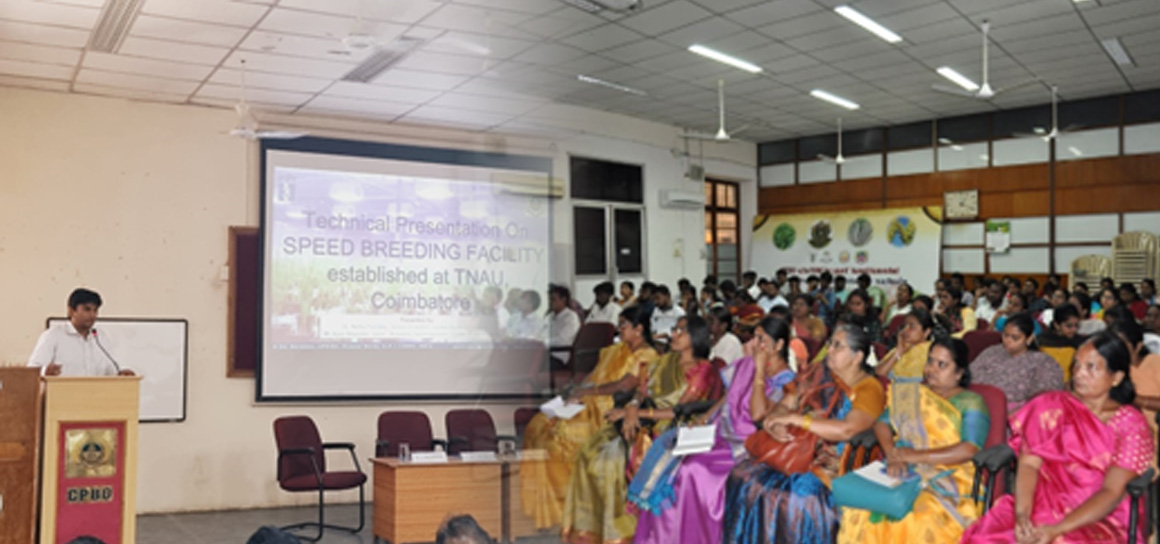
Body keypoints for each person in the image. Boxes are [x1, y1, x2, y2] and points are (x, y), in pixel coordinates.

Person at [963, 332, 1154, 544]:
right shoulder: (1051, 407)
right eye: (1077, 365)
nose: (1079, 374)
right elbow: (1029, 466)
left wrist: (1056, 530)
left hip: (1099, 518)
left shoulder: (1130, 424)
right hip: (1040, 504)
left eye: (1091, 367)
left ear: (1116, 378)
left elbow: (1111, 492)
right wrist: (1022, 517)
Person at [630, 316, 795, 544]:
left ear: (779, 346)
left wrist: (758, 371)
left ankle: (695, 536)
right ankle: (665, 536)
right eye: (754, 338)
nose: (755, 344)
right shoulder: (746, 364)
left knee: (692, 469)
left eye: (762, 339)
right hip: (720, 430)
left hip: (746, 444)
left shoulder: (786, 380)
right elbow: (729, 397)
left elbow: (759, 416)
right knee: (671, 451)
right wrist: (705, 418)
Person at [561, 316, 722, 544]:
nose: (674, 334)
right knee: (590, 451)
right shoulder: (665, 361)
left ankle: (623, 534)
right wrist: (634, 405)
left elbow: (679, 410)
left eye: (681, 331)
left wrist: (636, 414)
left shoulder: (703, 369)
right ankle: (592, 533)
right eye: (675, 328)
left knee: (611, 461)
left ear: (696, 337)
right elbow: (642, 391)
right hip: (643, 417)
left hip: (673, 427)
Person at [723, 325, 886, 544]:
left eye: (838, 346)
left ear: (857, 356)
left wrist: (796, 420)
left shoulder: (869, 388)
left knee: (795, 498)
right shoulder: (818, 373)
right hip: (795, 447)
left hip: (832, 462)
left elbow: (847, 429)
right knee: (742, 476)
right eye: (830, 344)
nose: (829, 350)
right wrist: (775, 423)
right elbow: (786, 403)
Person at [838, 337, 989, 544]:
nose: (931, 369)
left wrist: (915, 457)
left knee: (917, 517)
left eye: (941, 364)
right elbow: (882, 424)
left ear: (959, 372)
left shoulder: (971, 401)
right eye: (930, 361)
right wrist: (892, 454)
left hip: (951, 473)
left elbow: (969, 449)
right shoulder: (912, 395)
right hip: (900, 466)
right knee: (861, 509)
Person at [520, 307, 659, 529]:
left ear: (639, 329)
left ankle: (569, 505)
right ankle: (545, 505)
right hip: (590, 400)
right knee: (539, 426)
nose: (619, 329)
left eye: (624, 325)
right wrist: (576, 391)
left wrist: (588, 393)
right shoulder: (616, 350)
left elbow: (625, 384)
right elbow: (594, 377)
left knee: (557, 437)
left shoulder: (647, 355)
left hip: (607, 407)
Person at [29, 288, 135, 377]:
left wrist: (120, 374)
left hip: (97, 398)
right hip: (61, 398)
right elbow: (31, 370)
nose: (92, 315)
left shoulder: (100, 338)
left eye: (95, 310)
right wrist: (45, 371)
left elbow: (110, 369)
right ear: (72, 311)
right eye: (87, 309)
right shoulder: (53, 336)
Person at [970, 313, 1064, 412]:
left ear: (1029, 338)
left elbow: (1043, 399)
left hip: (1013, 416)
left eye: (1015, 338)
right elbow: (969, 376)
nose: (1007, 341)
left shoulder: (1043, 363)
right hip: (975, 406)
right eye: (1005, 335)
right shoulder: (992, 352)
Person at [875, 309, 935, 382]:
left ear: (926, 332)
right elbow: (877, 375)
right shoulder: (903, 347)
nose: (904, 330)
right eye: (904, 326)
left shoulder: (932, 353)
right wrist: (898, 352)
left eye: (912, 326)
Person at [1038, 304, 1083, 383]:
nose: (1074, 330)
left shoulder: (1079, 343)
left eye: (1076, 325)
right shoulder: (1041, 342)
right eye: (1069, 326)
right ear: (1056, 325)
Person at [708, 307, 744, 379]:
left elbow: (721, 368)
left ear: (723, 325)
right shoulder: (709, 339)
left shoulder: (731, 342)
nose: (708, 323)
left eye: (711, 321)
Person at [548, 285, 582, 361]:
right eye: (549, 300)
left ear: (563, 299)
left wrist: (544, 342)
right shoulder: (550, 316)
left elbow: (563, 341)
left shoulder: (571, 317)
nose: (550, 302)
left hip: (559, 356)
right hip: (545, 353)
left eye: (553, 299)